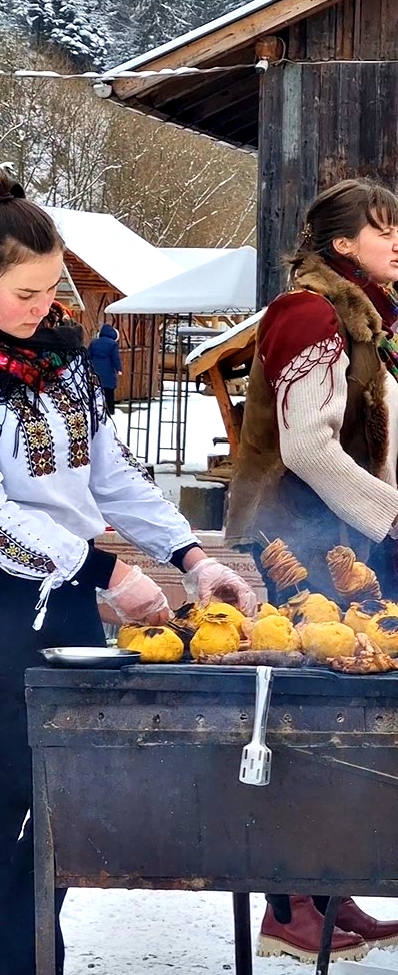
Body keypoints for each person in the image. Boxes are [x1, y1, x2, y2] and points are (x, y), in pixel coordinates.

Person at [0, 171, 257, 975]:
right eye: (25, 291)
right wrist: (105, 569)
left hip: (68, 616)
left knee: (60, 813)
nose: (42, 306)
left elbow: (111, 473)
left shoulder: (57, 358)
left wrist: (188, 557)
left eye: (53, 288)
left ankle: (33, 963)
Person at [226, 177, 398, 963]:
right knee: (304, 721)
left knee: (340, 719)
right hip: (299, 539)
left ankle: (324, 892)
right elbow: (303, 447)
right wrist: (389, 517)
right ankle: (289, 903)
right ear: (339, 245)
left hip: (340, 534)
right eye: (382, 228)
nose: (395, 241)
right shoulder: (308, 313)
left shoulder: (363, 318)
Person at [88, 322, 122, 414]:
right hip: (108, 371)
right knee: (109, 392)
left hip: (95, 370)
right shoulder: (113, 344)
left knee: (95, 392)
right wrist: (119, 369)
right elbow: (115, 358)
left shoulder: (94, 343)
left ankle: (95, 411)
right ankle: (110, 410)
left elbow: (88, 356)